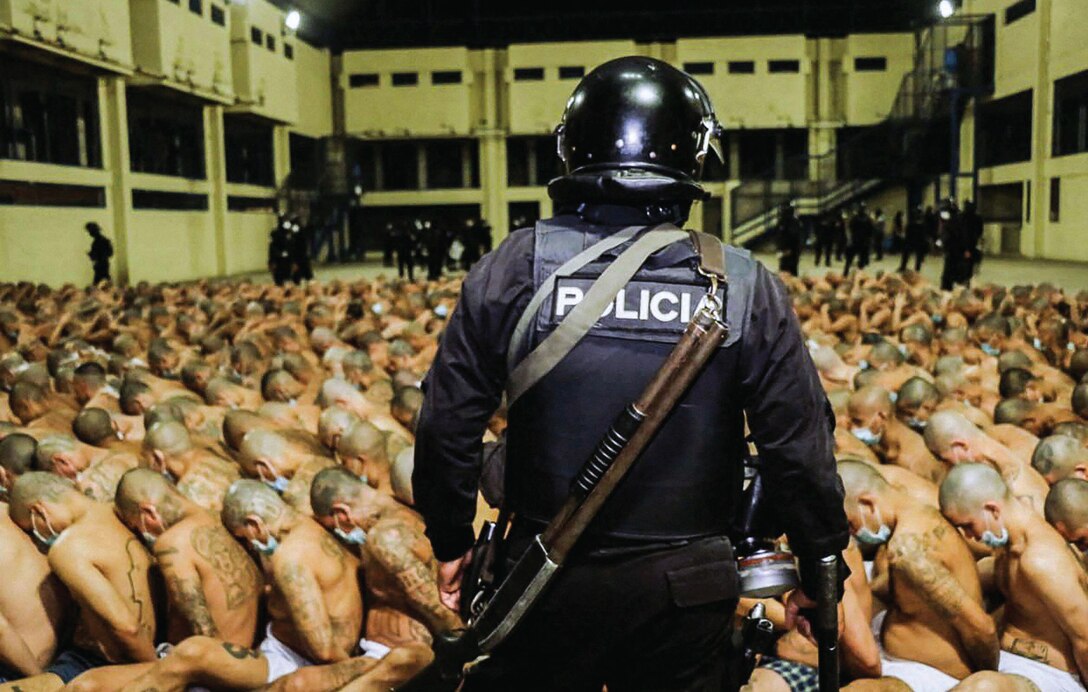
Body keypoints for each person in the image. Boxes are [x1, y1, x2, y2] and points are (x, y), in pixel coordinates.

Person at [413, 56, 850, 690]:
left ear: (570, 150)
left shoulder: (514, 265)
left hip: (540, 577)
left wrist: (450, 539)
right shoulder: (744, 284)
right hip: (686, 591)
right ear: (695, 155)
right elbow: (800, 450)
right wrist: (817, 568)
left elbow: (447, 424)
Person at [838, 461, 999, 688]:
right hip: (901, 657)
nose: (853, 533)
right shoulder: (917, 511)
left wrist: (987, 677)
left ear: (867, 504)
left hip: (925, 674)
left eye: (852, 524)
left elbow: (982, 628)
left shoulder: (908, 550)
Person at [940, 464, 1088, 690]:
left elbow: (1085, 638)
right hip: (1011, 667)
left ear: (992, 510)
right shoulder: (1008, 547)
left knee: (981, 688)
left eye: (968, 526)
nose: (970, 536)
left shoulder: (1041, 559)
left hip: (1050, 676)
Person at [6, 472, 158, 689]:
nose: (39, 541)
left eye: (32, 529)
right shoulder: (117, 511)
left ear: (38, 511)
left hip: (108, 663)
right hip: (145, 648)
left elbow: (126, 627)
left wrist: (159, 672)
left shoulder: (69, 548)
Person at [899, 205, 929, 273]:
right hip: (918, 241)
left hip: (911, 241)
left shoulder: (912, 224)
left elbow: (908, 232)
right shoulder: (922, 224)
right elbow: (924, 233)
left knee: (907, 254)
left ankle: (903, 267)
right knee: (918, 255)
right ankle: (916, 268)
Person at [844, 204, 873, 274]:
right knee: (861, 261)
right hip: (863, 242)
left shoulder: (855, 218)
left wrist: (850, 238)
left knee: (849, 259)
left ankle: (846, 273)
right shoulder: (868, 219)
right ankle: (859, 273)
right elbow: (871, 231)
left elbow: (850, 228)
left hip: (855, 240)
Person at [776, 202, 803, 276]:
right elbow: (780, 236)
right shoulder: (784, 222)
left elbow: (793, 236)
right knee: (785, 269)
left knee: (789, 269)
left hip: (790, 250)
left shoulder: (790, 222)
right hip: (787, 250)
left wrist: (786, 249)